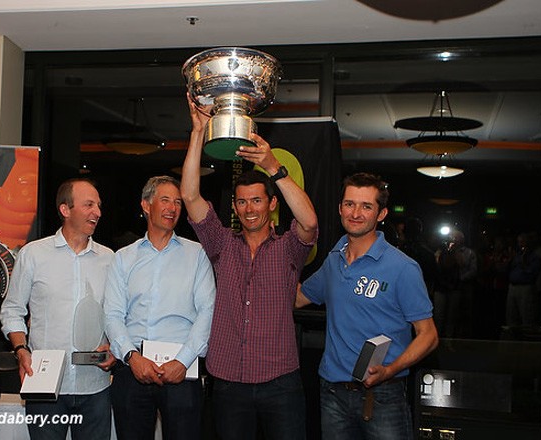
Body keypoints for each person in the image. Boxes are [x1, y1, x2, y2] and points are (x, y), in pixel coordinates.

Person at [180, 96, 319, 440]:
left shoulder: (289, 246)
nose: (248, 208)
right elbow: (190, 196)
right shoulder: (221, 243)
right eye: (241, 202)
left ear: (271, 204)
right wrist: (198, 132)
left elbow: (310, 221)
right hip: (228, 383)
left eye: (257, 200)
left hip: (280, 383)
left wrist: (274, 168)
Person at [296, 172, 438, 440]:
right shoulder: (333, 261)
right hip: (332, 393)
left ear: (381, 213)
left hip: (383, 395)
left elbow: (428, 336)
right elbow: (298, 297)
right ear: (340, 209)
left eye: (366, 206)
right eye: (350, 204)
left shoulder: (403, 268)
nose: (356, 213)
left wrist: (390, 370)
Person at [0, 178, 116, 440]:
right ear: (65, 209)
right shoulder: (33, 255)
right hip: (45, 387)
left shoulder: (109, 259)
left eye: (98, 205)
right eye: (88, 205)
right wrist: (21, 350)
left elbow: (117, 315)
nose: (97, 212)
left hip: (95, 386)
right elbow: (12, 310)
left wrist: (115, 348)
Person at [104, 175, 216, 440]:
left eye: (177, 202)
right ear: (146, 205)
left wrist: (184, 360)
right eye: (165, 200)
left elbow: (207, 311)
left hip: (182, 370)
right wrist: (132, 357)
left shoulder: (197, 254)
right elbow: (113, 314)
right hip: (133, 369)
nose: (172, 208)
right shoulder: (123, 258)